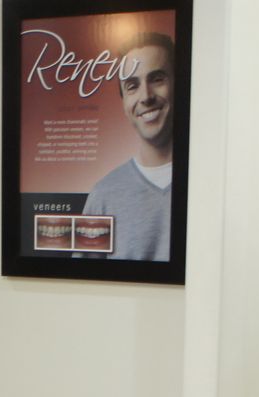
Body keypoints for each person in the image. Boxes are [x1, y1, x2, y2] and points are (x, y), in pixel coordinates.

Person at [81, 31, 175, 262]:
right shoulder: (103, 195)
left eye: (157, 79)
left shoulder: (209, 182)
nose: (146, 96)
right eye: (132, 85)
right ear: (123, 102)